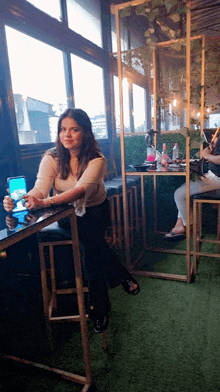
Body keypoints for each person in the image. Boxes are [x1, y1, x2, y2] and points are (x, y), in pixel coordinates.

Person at [3, 108, 140, 333]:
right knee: (91, 243)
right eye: (62, 129)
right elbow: (40, 188)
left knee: (89, 243)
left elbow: (79, 191)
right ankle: (109, 293)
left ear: (85, 133)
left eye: (74, 130)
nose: (67, 135)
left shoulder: (97, 159)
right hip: (68, 213)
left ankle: (100, 305)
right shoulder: (51, 157)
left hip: (96, 211)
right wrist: (25, 200)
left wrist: (45, 203)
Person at [165, 132, 220, 239]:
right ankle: (179, 224)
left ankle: (190, 229)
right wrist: (216, 145)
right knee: (185, 187)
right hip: (213, 176)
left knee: (179, 194)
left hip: (217, 179)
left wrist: (206, 155)